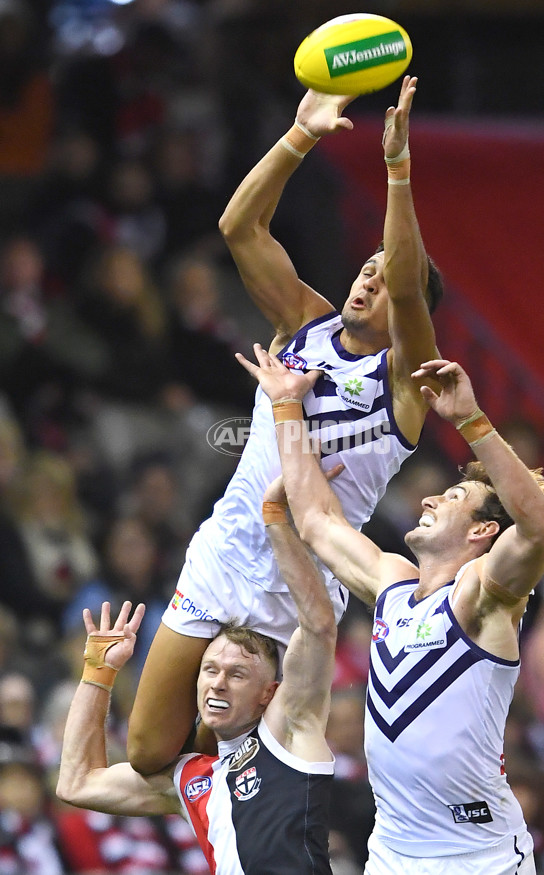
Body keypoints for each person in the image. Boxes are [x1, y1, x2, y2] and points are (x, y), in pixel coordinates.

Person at [127, 75, 445, 775]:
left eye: (383, 276)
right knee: (149, 749)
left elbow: (403, 275)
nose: (368, 280)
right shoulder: (305, 321)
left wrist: (397, 169)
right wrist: (300, 132)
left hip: (298, 587)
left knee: (261, 763)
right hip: (226, 550)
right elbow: (239, 227)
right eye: (363, 269)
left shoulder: (408, 380)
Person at [237, 346, 544, 874]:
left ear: (484, 531)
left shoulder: (483, 594)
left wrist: (471, 420)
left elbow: (539, 529)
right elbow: (319, 519)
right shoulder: (391, 583)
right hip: (393, 853)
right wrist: (285, 409)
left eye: (454, 496)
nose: (429, 500)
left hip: (478, 856)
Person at [57, 468, 341, 873]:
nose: (218, 684)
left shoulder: (291, 732)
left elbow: (319, 625)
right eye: (210, 670)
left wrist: (275, 518)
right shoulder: (191, 780)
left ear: (269, 692)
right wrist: (97, 674)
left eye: (237, 674)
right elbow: (76, 783)